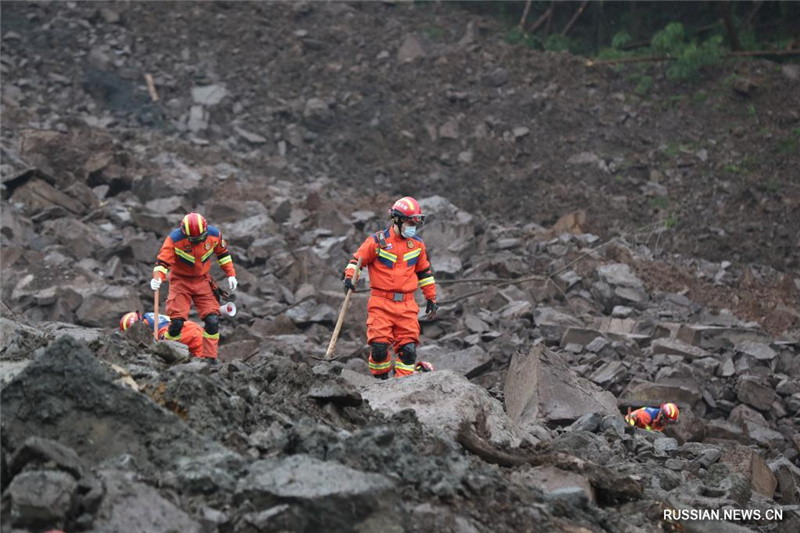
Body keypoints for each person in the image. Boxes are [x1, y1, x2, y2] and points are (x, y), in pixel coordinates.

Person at [342, 196, 438, 379]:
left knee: (408, 350)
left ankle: (402, 386)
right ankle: (381, 382)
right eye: (410, 222)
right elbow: (356, 261)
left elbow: (425, 274)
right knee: (378, 349)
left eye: (415, 222)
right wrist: (349, 278)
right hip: (381, 304)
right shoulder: (377, 242)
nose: (413, 226)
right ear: (398, 220)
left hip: (407, 306)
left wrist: (431, 298)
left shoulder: (417, 245)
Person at [150, 212, 237, 361]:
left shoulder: (214, 235)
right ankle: (168, 349)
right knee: (176, 322)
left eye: (200, 238)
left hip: (202, 281)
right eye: (193, 239)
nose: (197, 242)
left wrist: (231, 274)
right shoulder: (174, 240)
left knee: (212, 320)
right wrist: (157, 278)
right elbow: (163, 262)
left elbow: (223, 254)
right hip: (180, 281)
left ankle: (210, 358)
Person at [119, 311, 204, 357]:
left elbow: (165, 334)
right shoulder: (149, 317)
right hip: (193, 331)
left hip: (191, 335)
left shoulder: (151, 325)